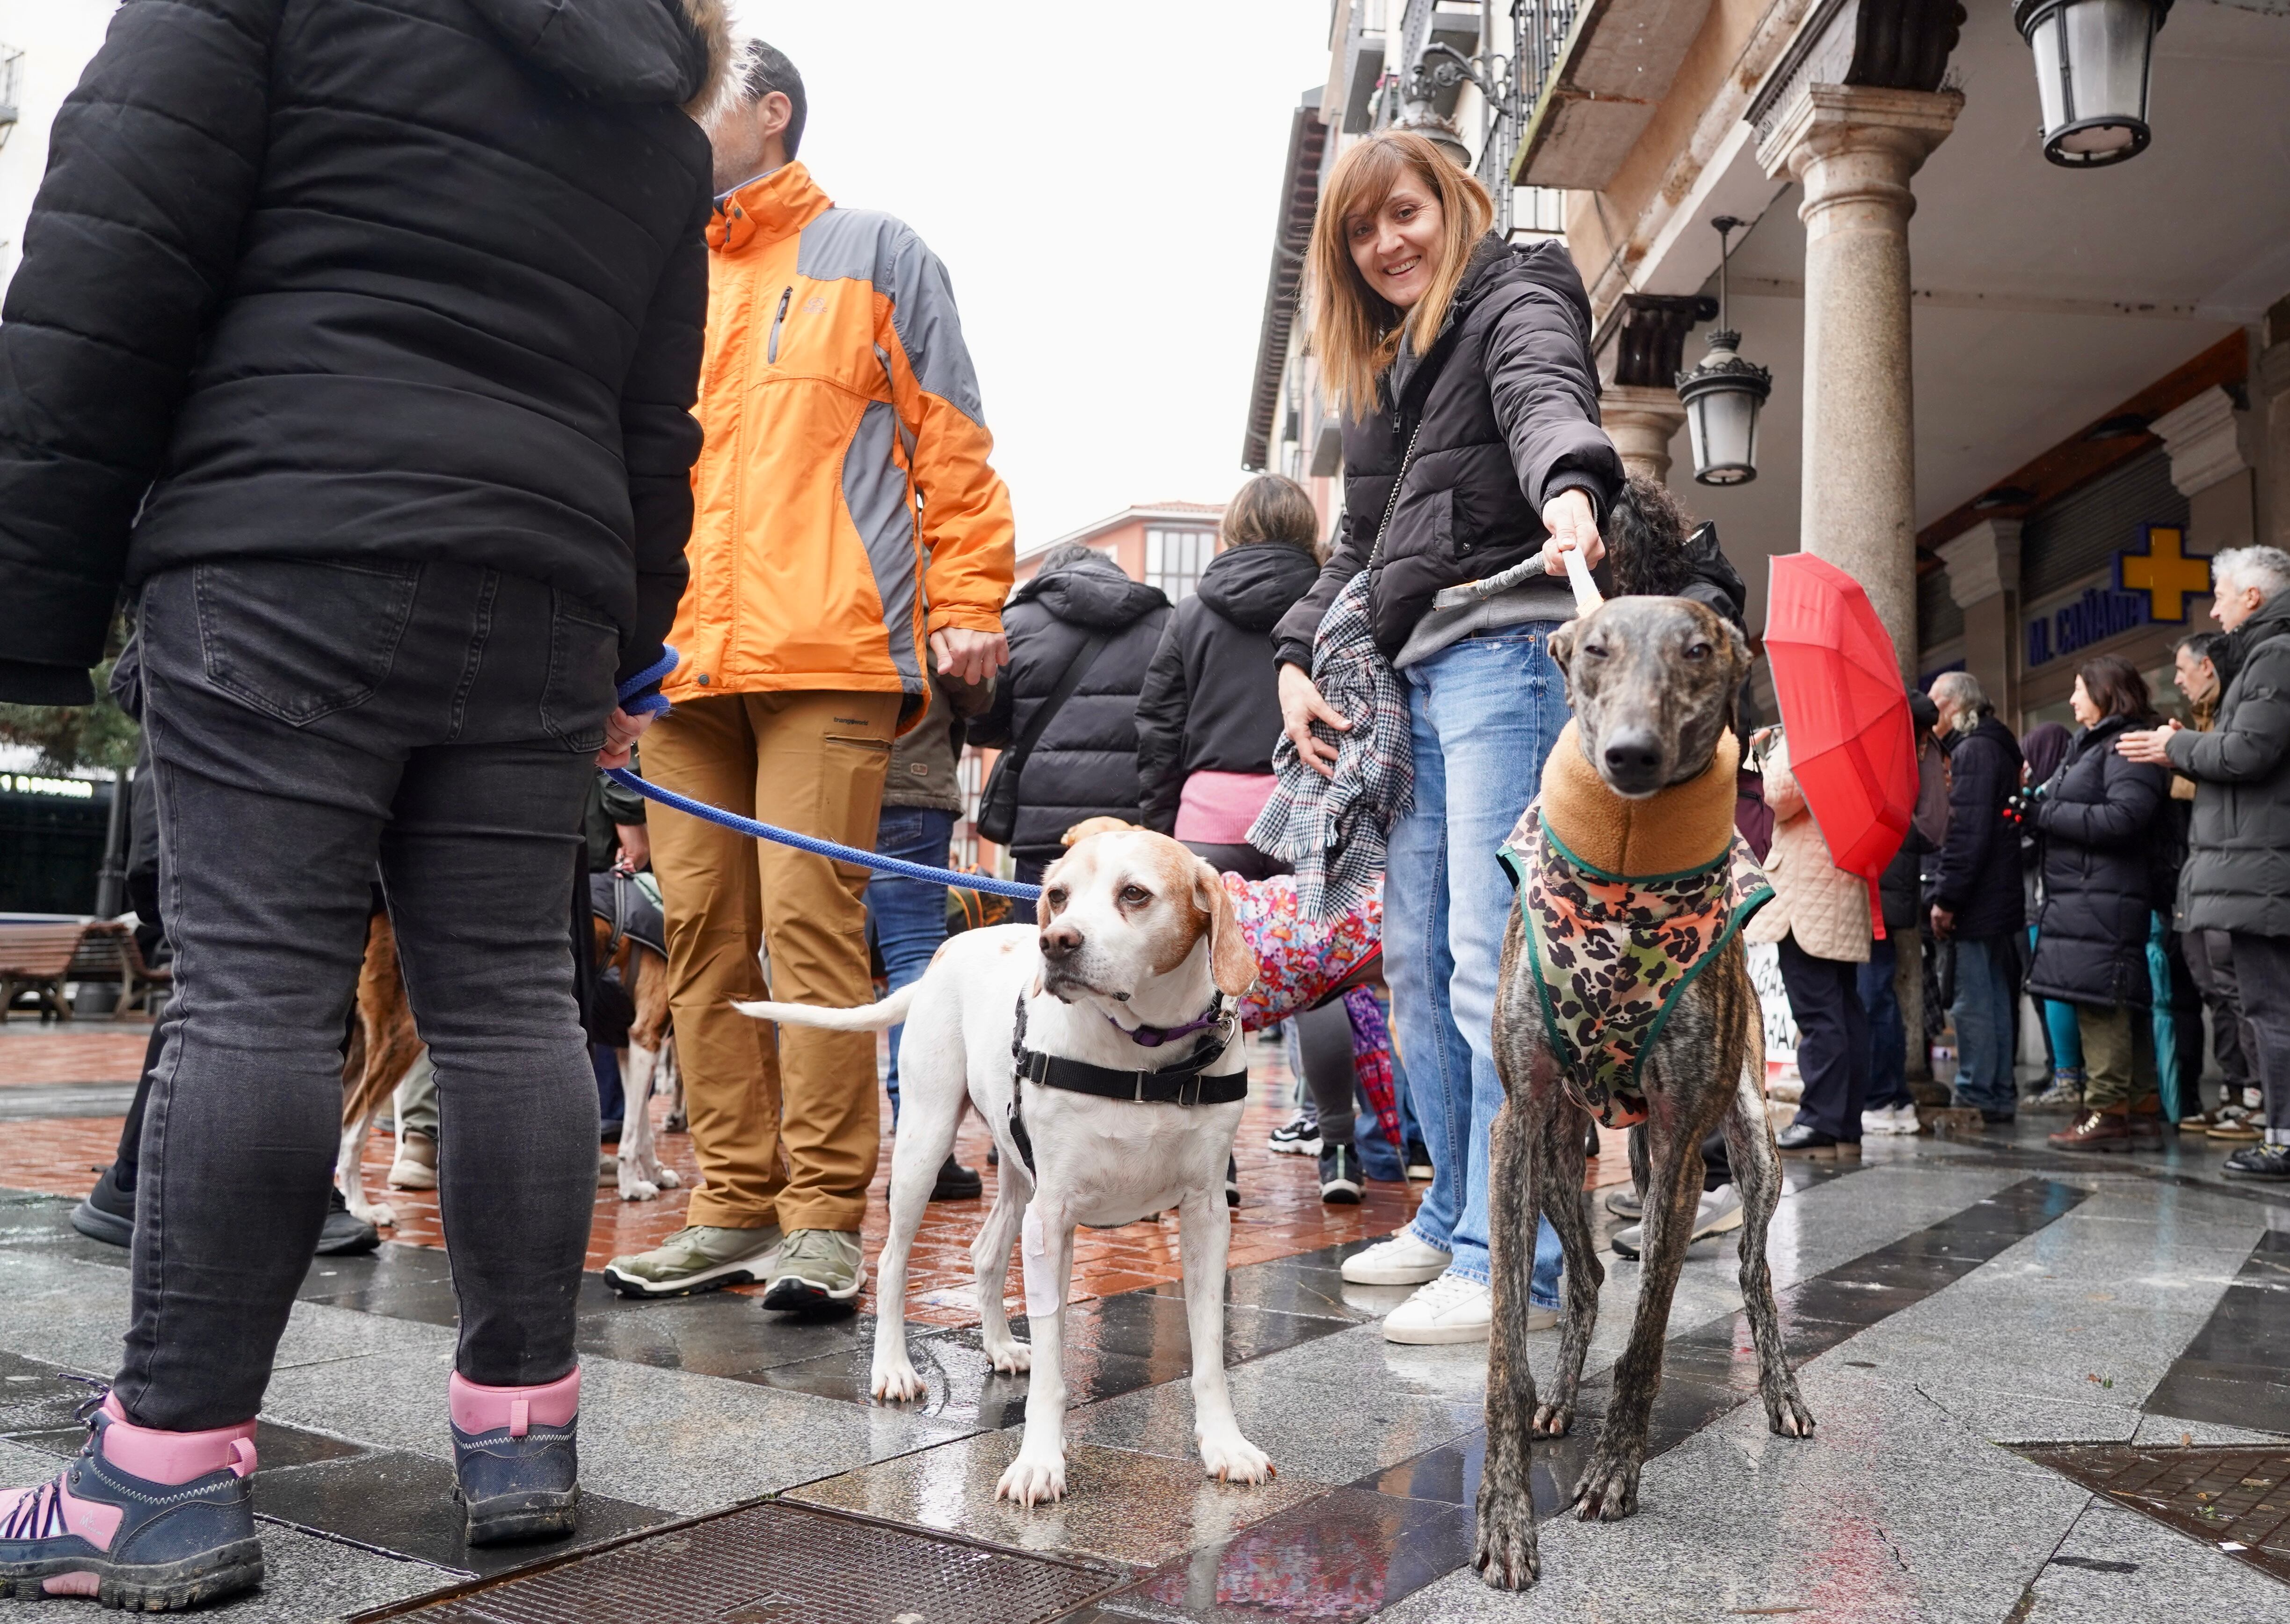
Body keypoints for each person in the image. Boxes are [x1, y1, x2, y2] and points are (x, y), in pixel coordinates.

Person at [0, 0, 730, 1587]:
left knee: (256, 997)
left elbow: (104, 267)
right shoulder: (659, 108)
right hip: (540, 589)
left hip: (285, 538)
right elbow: (653, 428)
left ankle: (161, 1476)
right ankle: (523, 1426)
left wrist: (30, 601)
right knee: (514, 1006)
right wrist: (627, 650)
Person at [604, 43, 1017, 1307]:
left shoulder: (876, 252)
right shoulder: (663, 273)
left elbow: (952, 440)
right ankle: (729, 1201)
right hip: (678, 670)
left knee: (807, 927)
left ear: (771, 110)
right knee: (702, 943)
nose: (679, 121)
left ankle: (823, 1217)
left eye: (705, 98)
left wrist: (967, 602)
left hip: (828, 656)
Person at [1271, 131, 1622, 1345]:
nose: (1387, 243)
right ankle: (1450, 1212)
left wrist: (1568, 485)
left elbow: (1542, 398)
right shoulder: (1381, 374)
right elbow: (1358, 544)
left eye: (1403, 212)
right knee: (1412, 962)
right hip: (1414, 678)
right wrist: (1291, 653)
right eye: (1362, 232)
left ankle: (1512, 1256)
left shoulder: (1514, 290)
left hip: (1503, 658)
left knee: (1491, 959)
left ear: (1452, 203)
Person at [1134, 475, 1367, 1200]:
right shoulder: (1332, 600)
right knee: (1319, 981)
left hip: (1209, 817)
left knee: (1205, 992)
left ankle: (1217, 1168)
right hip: (1305, 804)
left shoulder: (1192, 613)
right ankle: (1337, 1152)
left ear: (1232, 527)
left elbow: (1157, 729)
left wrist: (1155, 826)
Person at [2119, 545, 2290, 1180]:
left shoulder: (2273, 653)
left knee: (2269, 1008)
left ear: (2250, 596)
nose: (2213, 609)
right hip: (2258, 866)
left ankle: (2281, 1136)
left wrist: (2176, 745)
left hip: (2262, 867)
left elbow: (2248, 751)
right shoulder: (2266, 654)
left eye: (2219, 595)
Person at [2023, 659, 2172, 1151]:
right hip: (2088, 895)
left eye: (2078, 690)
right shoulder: (2091, 745)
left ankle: (2107, 1110)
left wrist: (2045, 814)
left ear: (2105, 692)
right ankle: (2138, 1104)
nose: (2070, 700)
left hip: (2104, 897)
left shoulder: (2125, 746)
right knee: (2110, 998)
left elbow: (2124, 817)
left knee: (2102, 1000)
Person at [970, 546, 1172, 905]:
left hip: (1044, 831)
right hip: (1132, 830)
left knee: (1040, 947)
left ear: (1050, 577)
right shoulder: (1166, 623)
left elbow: (982, 723)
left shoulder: (1016, 622)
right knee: (1127, 950)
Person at [872, 666, 994, 1202]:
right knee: (913, 956)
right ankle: (922, 1146)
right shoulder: (930, 587)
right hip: (910, 775)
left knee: (812, 953)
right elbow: (974, 682)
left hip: (812, 778)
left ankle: (806, 1143)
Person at [1745, 728, 1872, 1151]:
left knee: (1818, 1012)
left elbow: (1777, 795)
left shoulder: (1813, 733)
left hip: (1809, 893)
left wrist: (1760, 754)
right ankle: (1844, 1122)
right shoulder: (1856, 737)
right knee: (1843, 1008)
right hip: (1838, 883)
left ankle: (1820, 1118)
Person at [2166, 631, 2263, 1141]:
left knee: (2239, 989)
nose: (2177, 682)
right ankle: (2234, 1091)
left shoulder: (2236, 720)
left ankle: (2258, 1096)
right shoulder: (2204, 724)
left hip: (2234, 876)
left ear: (2208, 666)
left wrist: (2182, 751)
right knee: (2213, 988)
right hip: (2199, 875)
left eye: (2183, 671)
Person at [1927, 671, 2027, 1123]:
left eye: (1935, 704)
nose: (1932, 715)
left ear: (1953, 705)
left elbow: (1966, 832)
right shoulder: (1996, 747)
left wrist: (1947, 897)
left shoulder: (1974, 751)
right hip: (1998, 894)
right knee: (1994, 997)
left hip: (1979, 898)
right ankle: (1996, 1089)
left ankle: (1977, 1089)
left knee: (1975, 1000)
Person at [1860, 692, 1943, 1136]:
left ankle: (1884, 1097)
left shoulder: (1894, 753)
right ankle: (1890, 1097)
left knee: (1872, 996)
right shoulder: (1912, 749)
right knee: (1877, 995)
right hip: (1891, 883)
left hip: (1879, 883)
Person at [2017, 721, 2086, 1113]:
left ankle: (2068, 1075)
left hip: (2048, 907)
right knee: (2044, 993)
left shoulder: (2051, 798)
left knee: (2057, 990)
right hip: (2039, 908)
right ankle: (2058, 1068)